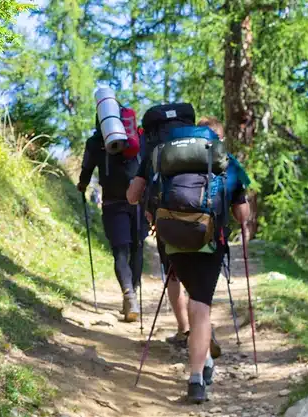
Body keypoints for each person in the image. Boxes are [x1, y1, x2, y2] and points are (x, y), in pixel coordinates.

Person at [127, 115, 252, 404]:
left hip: (172, 241)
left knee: (193, 296)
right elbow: (242, 215)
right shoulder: (226, 161)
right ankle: (196, 379)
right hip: (209, 243)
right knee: (201, 306)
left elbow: (132, 197)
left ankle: (205, 358)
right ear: (217, 138)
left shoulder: (162, 155)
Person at [78, 117, 146, 322]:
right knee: (138, 248)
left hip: (112, 202)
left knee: (120, 251)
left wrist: (82, 185)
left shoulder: (95, 142)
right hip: (138, 200)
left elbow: (87, 169)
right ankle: (132, 294)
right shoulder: (137, 136)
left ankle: (129, 295)